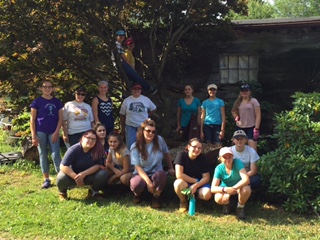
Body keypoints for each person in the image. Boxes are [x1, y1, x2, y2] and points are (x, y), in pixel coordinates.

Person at [130, 119, 175, 208]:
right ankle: (138, 194)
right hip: (141, 173)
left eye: (153, 131)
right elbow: (138, 167)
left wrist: (170, 168)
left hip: (156, 171)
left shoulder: (159, 140)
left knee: (161, 175)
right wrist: (148, 182)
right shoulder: (135, 146)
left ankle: (156, 197)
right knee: (136, 184)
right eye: (148, 131)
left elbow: (166, 153)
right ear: (142, 131)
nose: (151, 133)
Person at [56, 130, 109, 200]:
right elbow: (63, 166)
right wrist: (76, 177)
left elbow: (98, 165)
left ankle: (93, 192)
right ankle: (63, 193)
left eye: (93, 139)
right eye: (88, 138)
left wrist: (84, 173)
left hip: (89, 175)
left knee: (103, 173)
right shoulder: (73, 149)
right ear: (83, 138)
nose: (91, 140)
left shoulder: (98, 149)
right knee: (61, 176)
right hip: (73, 176)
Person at [30, 79, 63, 189]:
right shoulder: (37, 102)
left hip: (53, 131)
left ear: (53, 89)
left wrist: (57, 132)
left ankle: (61, 178)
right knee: (43, 154)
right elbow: (32, 119)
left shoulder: (57, 102)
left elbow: (60, 119)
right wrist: (33, 135)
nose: (47, 89)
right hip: (41, 131)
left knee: (55, 154)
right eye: (45, 86)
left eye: (49, 87)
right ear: (41, 89)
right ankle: (46, 179)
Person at [211, 147, 251, 220]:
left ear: (233, 157)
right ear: (220, 158)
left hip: (239, 187)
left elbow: (246, 179)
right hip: (225, 188)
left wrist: (231, 190)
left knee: (246, 189)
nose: (228, 159)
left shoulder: (237, 163)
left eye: (230, 157)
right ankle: (226, 205)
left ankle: (240, 208)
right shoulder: (218, 168)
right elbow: (213, 188)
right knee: (218, 198)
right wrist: (225, 190)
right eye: (224, 157)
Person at [173, 138, 212, 213]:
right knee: (177, 184)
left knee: (207, 194)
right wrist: (195, 181)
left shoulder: (203, 158)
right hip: (187, 182)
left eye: (199, 148)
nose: (197, 149)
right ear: (188, 147)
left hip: (200, 183)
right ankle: (183, 202)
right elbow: (179, 175)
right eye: (194, 147)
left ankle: (195, 199)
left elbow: (206, 178)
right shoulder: (181, 155)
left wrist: (195, 185)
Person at [114, 30, 157, 95]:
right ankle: (149, 88)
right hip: (121, 64)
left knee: (133, 80)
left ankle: (140, 91)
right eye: (120, 36)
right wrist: (130, 66)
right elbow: (123, 57)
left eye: (123, 35)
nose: (122, 37)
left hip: (121, 64)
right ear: (116, 36)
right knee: (135, 77)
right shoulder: (117, 45)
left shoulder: (120, 45)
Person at [120, 83, 156, 149]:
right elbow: (122, 114)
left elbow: (153, 108)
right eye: (134, 89)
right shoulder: (126, 100)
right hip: (130, 126)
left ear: (141, 90)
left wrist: (147, 115)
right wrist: (122, 127)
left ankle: (143, 158)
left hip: (143, 125)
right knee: (130, 146)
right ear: (131, 90)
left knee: (143, 145)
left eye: (138, 89)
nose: (136, 90)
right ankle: (131, 158)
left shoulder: (146, 99)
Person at [231, 83, 261, 151]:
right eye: (242, 91)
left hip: (251, 127)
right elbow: (233, 111)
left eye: (246, 91)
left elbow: (258, 115)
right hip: (240, 127)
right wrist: (236, 116)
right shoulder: (238, 101)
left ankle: (253, 161)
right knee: (240, 147)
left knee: (252, 149)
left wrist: (256, 128)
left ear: (249, 92)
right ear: (240, 92)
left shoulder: (254, 101)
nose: (244, 92)